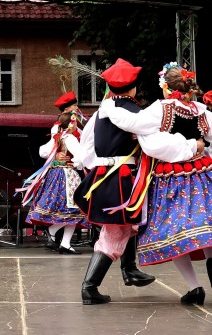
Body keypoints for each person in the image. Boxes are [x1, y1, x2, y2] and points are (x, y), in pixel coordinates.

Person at [74, 58, 201, 305]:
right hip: (123, 179)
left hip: (102, 175)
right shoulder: (137, 113)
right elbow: (152, 147)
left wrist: (96, 166)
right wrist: (190, 146)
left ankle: (129, 269)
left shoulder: (101, 112)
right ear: (133, 88)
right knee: (115, 232)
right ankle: (89, 288)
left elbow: (87, 148)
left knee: (131, 224)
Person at [26, 111, 89, 254]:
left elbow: (42, 152)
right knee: (74, 209)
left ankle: (64, 242)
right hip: (67, 176)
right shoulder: (71, 138)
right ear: (71, 124)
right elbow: (82, 157)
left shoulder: (56, 138)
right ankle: (53, 231)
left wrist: (55, 158)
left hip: (54, 175)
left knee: (69, 210)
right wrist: (76, 163)